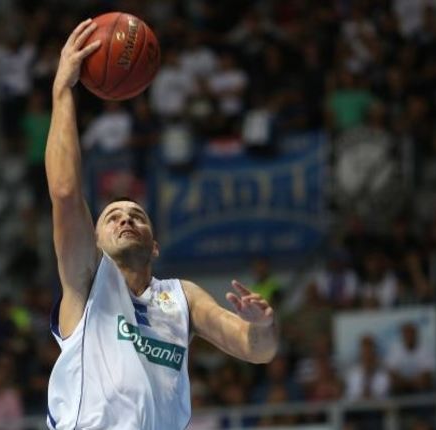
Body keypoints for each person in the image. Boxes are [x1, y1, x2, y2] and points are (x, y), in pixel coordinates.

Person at [44, 20, 279, 430]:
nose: (126, 218)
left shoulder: (182, 296)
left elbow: (257, 350)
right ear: (94, 242)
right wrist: (62, 90)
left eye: (138, 215)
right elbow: (65, 192)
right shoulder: (86, 280)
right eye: (112, 216)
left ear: (154, 245)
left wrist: (263, 326)